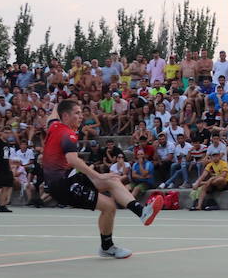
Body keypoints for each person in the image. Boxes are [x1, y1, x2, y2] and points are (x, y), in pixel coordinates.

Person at [42, 99, 163, 257]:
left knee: (113, 180)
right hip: (63, 186)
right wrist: (98, 174)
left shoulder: (54, 125)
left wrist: (62, 103)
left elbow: (54, 112)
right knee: (109, 206)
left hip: (68, 178)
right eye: (77, 113)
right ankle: (107, 247)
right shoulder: (68, 134)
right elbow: (72, 160)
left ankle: (141, 212)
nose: (81, 117)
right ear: (65, 116)